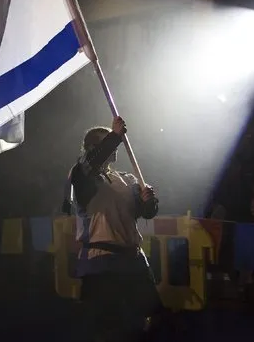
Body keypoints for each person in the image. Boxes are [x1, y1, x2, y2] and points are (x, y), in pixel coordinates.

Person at [63, 116, 161, 342]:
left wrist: (149, 202)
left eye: (112, 138)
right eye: (105, 140)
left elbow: (145, 213)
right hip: (100, 263)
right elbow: (90, 165)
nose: (114, 142)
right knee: (108, 328)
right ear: (92, 148)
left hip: (133, 258)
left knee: (152, 319)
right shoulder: (80, 176)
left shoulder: (126, 179)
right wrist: (115, 136)